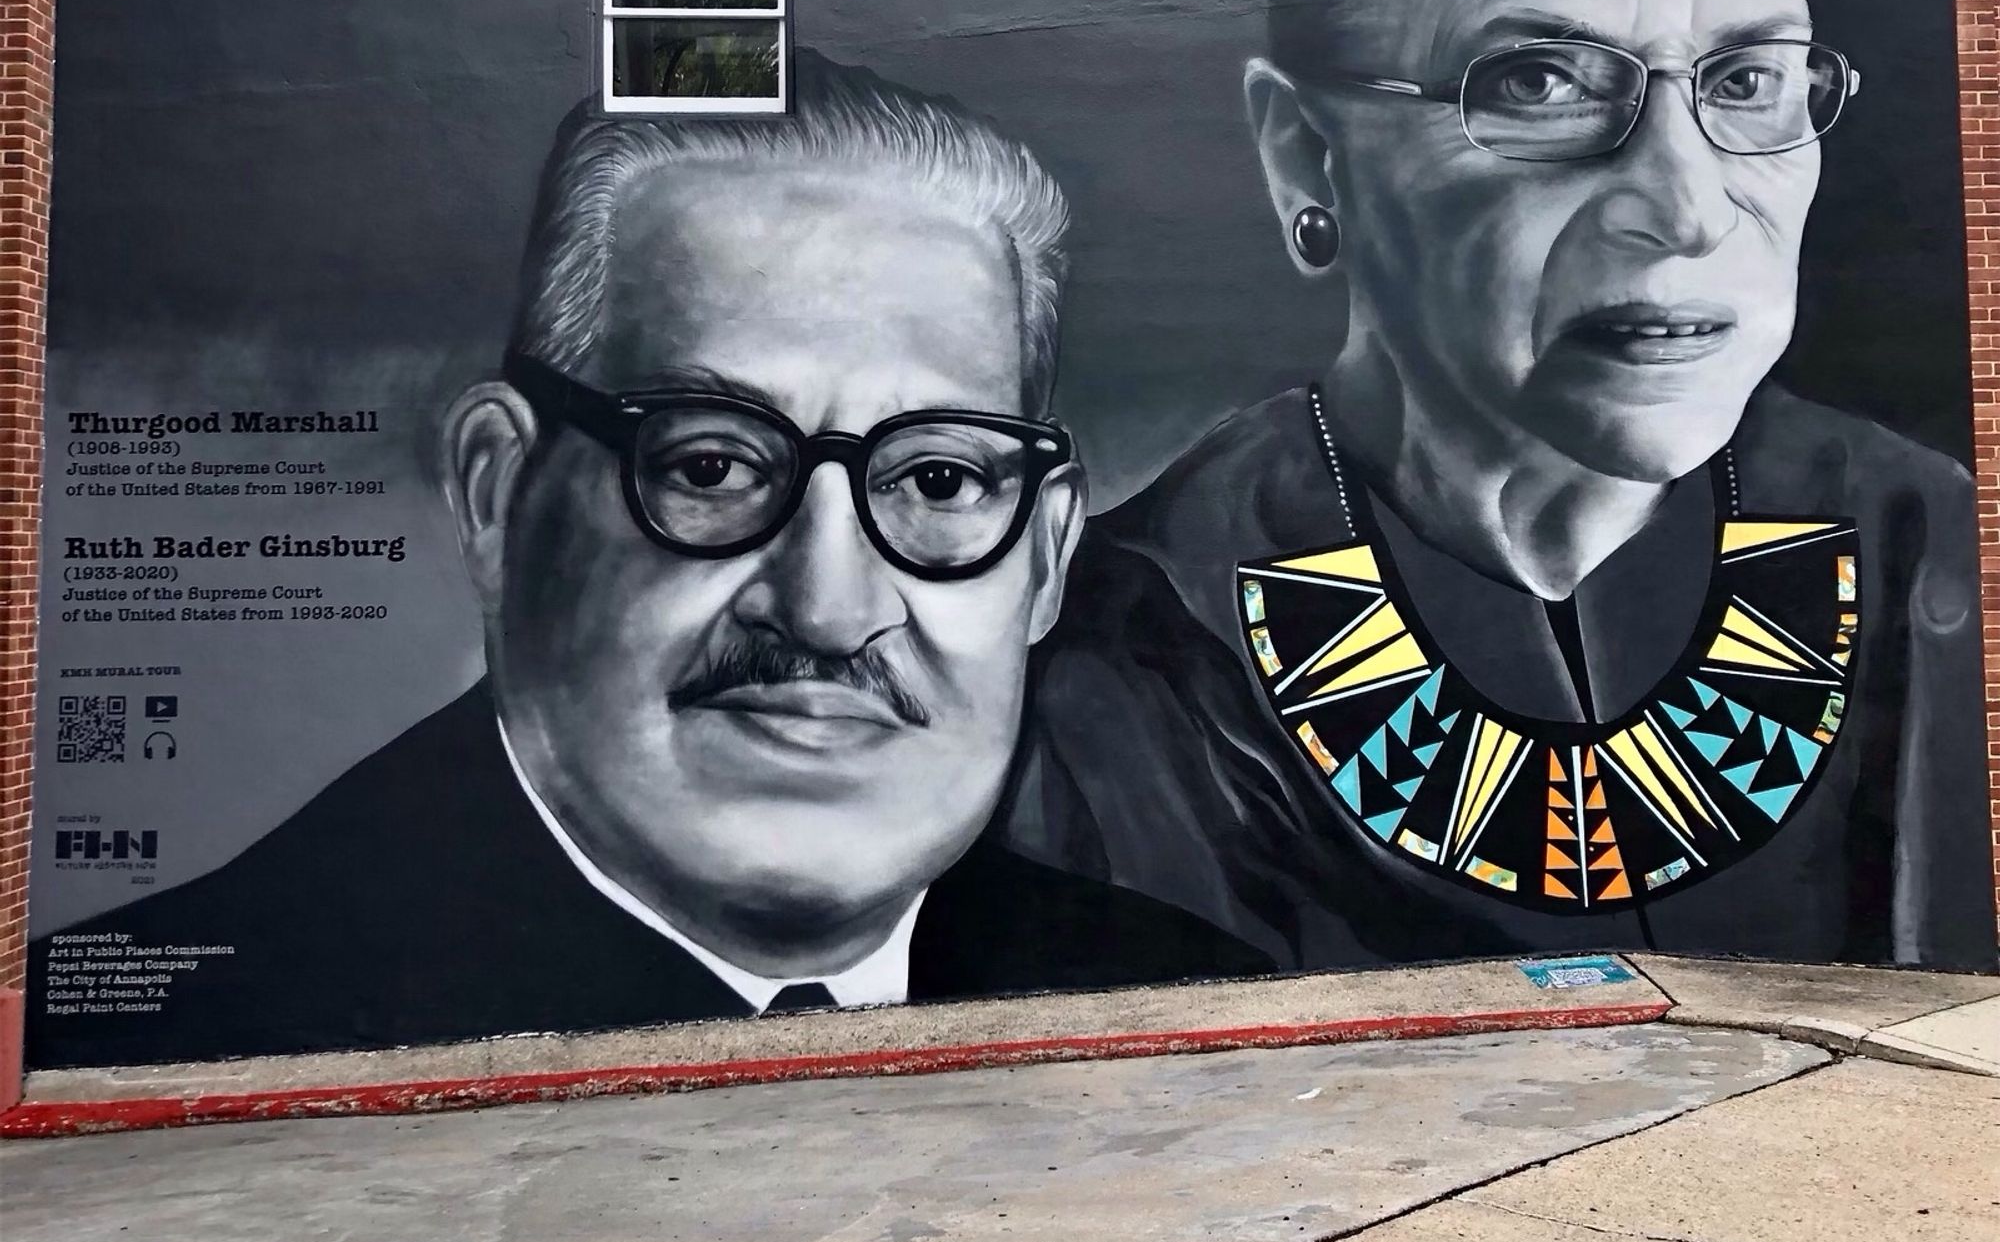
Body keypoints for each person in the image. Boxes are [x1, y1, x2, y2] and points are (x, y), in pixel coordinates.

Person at [31, 52, 1265, 1065]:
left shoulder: (1178, 1008)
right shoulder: (216, 1032)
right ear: (498, 492)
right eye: (713, 465)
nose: (828, 607)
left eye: (937, 480)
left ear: (1045, 559)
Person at [1005, 0, 1997, 974]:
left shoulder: (1924, 547)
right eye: (1537, 81)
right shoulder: (1141, 640)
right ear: (1305, 157)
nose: (1685, 207)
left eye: (1746, 80)